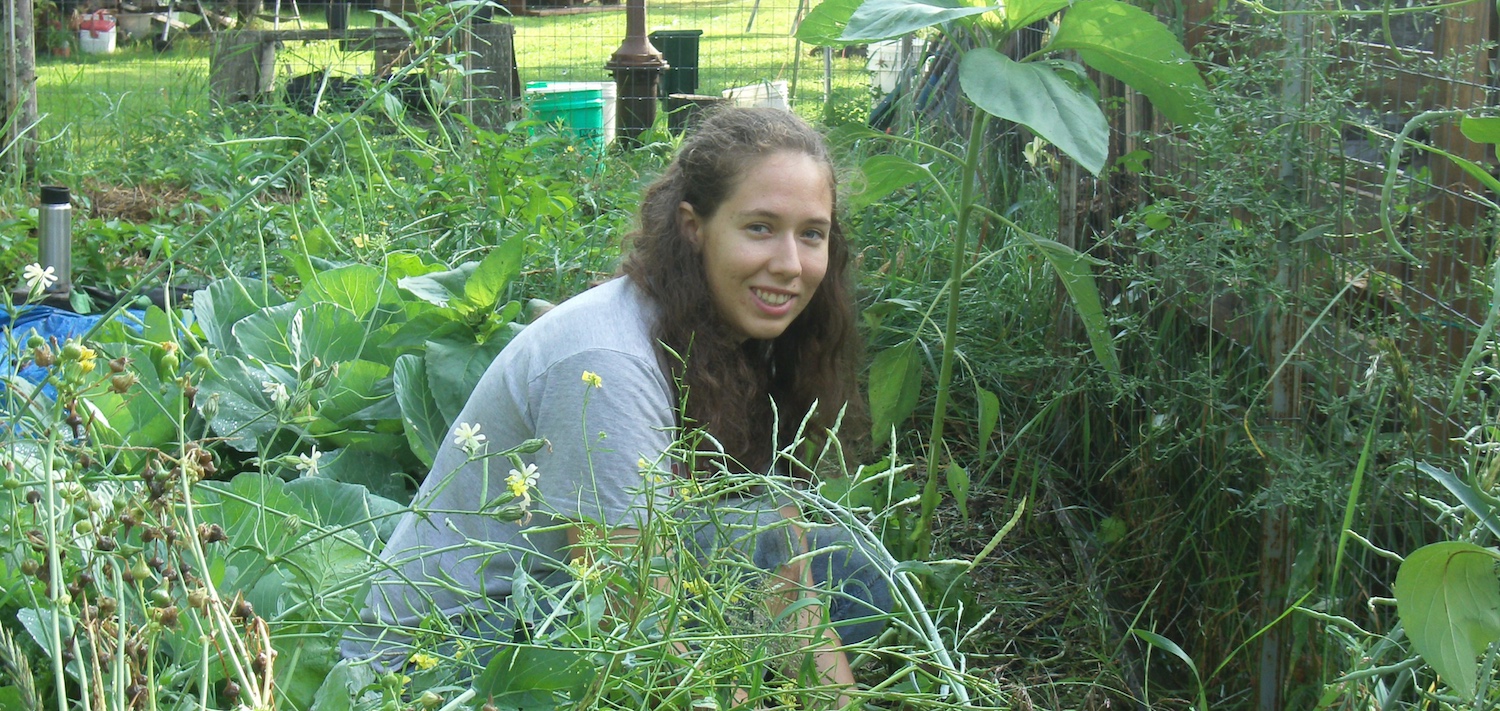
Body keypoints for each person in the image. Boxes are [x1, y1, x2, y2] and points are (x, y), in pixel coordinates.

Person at [342, 107, 890, 706]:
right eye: (760, 227)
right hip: (449, 654)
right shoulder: (611, 362)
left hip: (574, 596)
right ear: (693, 227)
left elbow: (791, 585)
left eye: (811, 233)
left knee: (850, 574)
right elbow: (636, 623)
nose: (789, 264)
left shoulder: (734, 334)